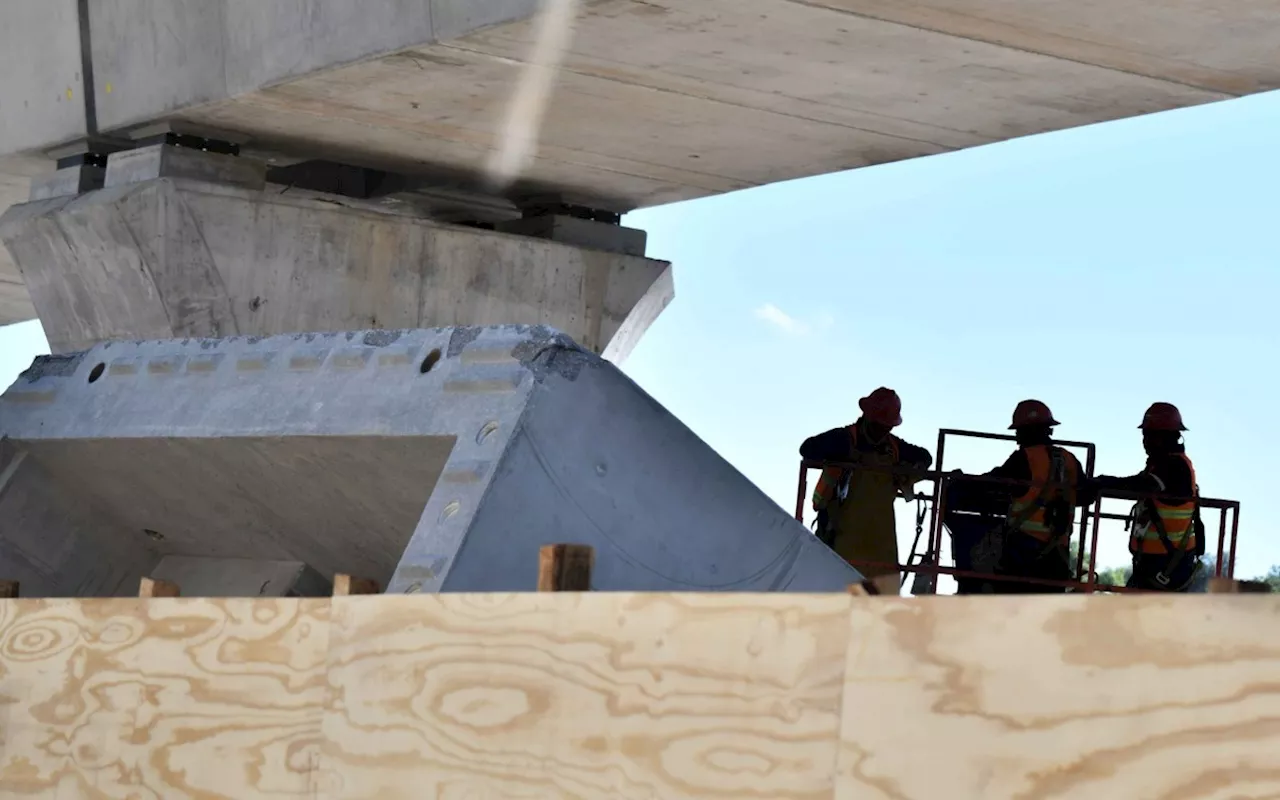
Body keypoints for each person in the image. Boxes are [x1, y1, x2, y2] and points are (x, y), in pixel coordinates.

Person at [800, 387, 932, 595]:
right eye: (881, 425)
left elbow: (925, 457)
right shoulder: (843, 440)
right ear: (868, 417)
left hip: (880, 552)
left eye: (887, 427)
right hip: (842, 547)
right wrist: (841, 459)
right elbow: (807, 448)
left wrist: (911, 470)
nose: (884, 431)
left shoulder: (893, 449)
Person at [971, 400, 1094, 593]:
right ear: (1049, 430)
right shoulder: (1069, 459)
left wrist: (961, 480)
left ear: (1023, 431)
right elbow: (1086, 496)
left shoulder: (1023, 458)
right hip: (1057, 556)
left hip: (1022, 555)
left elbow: (993, 483)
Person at [1095, 403, 1203, 591]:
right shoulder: (1165, 464)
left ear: (1165, 436)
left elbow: (1138, 486)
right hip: (1161, 562)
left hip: (1166, 565)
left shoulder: (1173, 467)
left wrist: (1102, 483)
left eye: (1149, 436)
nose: (1144, 441)